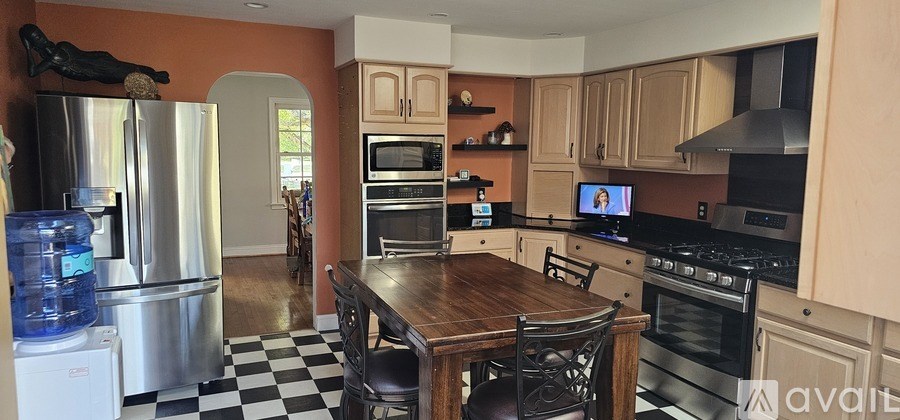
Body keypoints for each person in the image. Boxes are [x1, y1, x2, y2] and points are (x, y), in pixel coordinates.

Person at [19, 24, 170, 85]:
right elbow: (32, 72)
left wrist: (28, 48)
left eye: (39, 34)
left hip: (100, 65)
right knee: (130, 73)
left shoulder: (56, 54)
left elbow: (33, 72)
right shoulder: (55, 54)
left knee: (130, 72)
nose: (41, 37)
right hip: (98, 69)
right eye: (36, 38)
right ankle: (156, 76)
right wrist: (27, 48)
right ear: (33, 43)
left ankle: (156, 76)